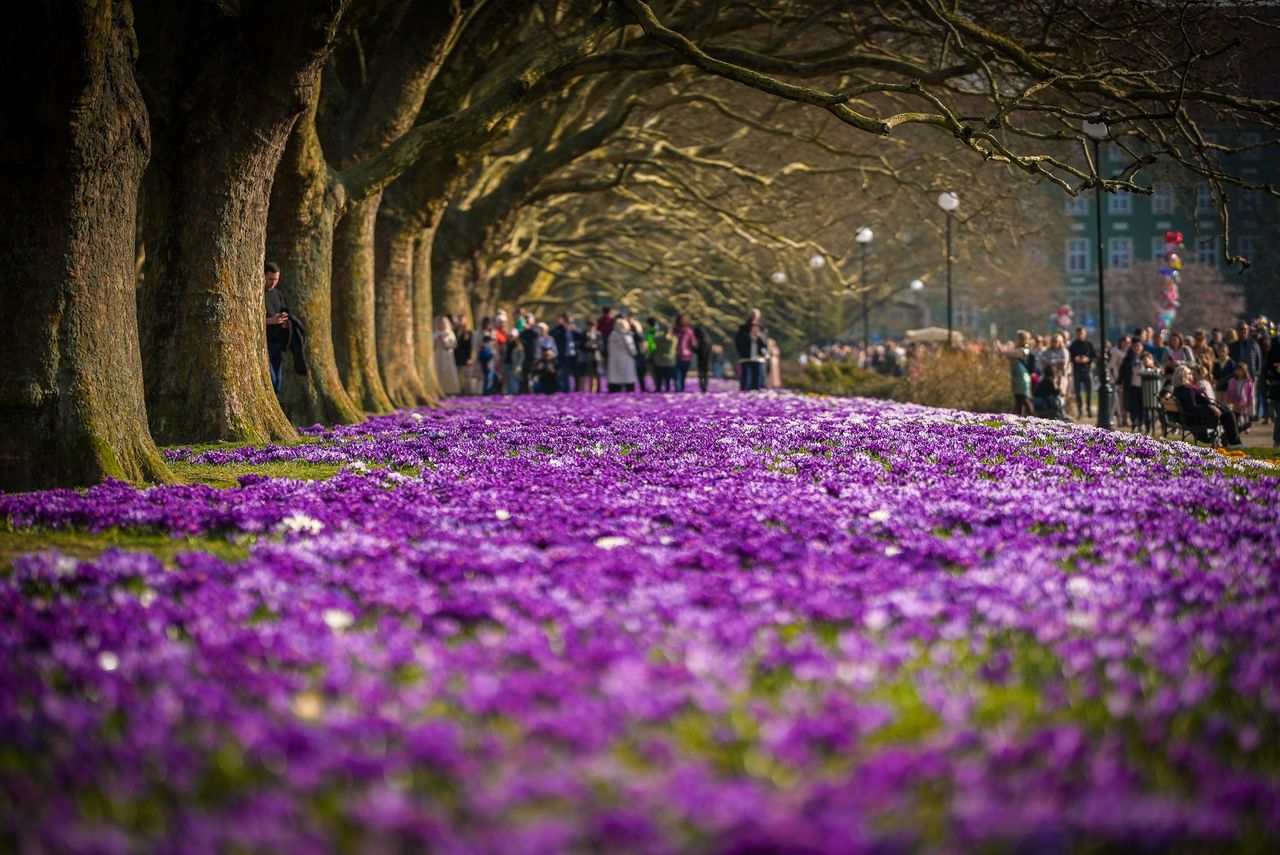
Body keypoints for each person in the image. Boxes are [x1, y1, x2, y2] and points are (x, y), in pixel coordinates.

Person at [1172, 365, 1243, 447]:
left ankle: (1229, 439)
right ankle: (1234, 442)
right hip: (1199, 419)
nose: (1192, 374)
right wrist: (1210, 407)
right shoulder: (1186, 390)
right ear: (1183, 375)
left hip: (1195, 417)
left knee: (1228, 413)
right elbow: (1192, 407)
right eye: (1189, 373)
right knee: (1229, 415)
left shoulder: (1180, 389)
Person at [1118, 337, 1148, 431]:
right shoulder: (1128, 358)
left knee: (1142, 406)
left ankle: (1142, 423)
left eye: (1139, 346)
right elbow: (1122, 370)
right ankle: (1134, 423)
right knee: (1133, 406)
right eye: (1135, 346)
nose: (1137, 348)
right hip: (1132, 385)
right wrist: (1119, 381)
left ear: (1142, 347)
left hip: (1144, 386)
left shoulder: (1146, 357)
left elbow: (1155, 366)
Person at [734, 309, 768, 391]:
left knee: (759, 380)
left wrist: (759, 336)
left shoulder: (762, 328)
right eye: (752, 315)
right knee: (746, 380)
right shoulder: (743, 328)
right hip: (746, 358)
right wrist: (750, 337)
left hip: (759, 358)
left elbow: (765, 343)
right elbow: (738, 342)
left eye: (755, 316)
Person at [1003, 330, 1034, 417]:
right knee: (1018, 401)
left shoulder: (1022, 350)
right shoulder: (1020, 349)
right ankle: (1019, 418)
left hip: (1022, 378)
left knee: (1024, 399)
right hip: (1017, 378)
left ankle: (1034, 417)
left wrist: (1001, 350)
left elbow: (1008, 354)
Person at [1067, 326, 1096, 418]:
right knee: (1078, 392)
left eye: (1082, 333)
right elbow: (1070, 356)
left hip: (1087, 370)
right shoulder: (1073, 344)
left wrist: (1088, 359)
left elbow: (1094, 356)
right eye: (1079, 334)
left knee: (1089, 391)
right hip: (1077, 370)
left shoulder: (1089, 344)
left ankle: (1088, 408)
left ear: (1085, 334)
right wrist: (1075, 359)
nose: (1080, 335)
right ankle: (1080, 410)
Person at [606, 317, 639, 392]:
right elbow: (632, 350)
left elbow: (608, 348)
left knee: (615, 381)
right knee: (628, 381)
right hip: (626, 361)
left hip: (614, 361)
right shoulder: (627, 336)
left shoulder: (612, 335)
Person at [551, 314, 580, 392]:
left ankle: (576, 390)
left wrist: (573, 330)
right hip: (564, 356)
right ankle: (566, 390)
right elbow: (554, 336)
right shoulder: (559, 330)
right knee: (565, 374)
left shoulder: (573, 331)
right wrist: (564, 330)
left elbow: (581, 338)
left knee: (576, 374)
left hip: (574, 356)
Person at [433, 316, 460, 396]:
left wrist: (444, 342)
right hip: (438, 354)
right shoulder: (435, 333)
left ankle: (450, 390)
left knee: (449, 372)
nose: (442, 325)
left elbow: (454, 344)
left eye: (443, 324)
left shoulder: (450, 333)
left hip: (447, 355)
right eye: (441, 324)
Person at [672, 314, 698, 392]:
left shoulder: (688, 332)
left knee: (680, 374)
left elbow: (693, 343)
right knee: (678, 374)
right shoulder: (686, 331)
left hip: (683, 356)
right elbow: (694, 344)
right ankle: (679, 389)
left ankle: (680, 388)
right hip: (679, 356)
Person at [1226, 364, 1254, 430]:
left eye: (1239, 370)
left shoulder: (1248, 381)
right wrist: (1228, 398)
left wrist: (1251, 400)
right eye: (1237, 370)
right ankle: (1238, 425)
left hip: (1244, 399)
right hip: (1235, 398)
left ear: (1244, 371)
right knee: (1236, 413)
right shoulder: (1232, 380)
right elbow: (1229, 390)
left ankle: (1246, 426)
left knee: (1245, 413)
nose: (1237, 372)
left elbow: (1251, 392)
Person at [651, 321, 677, 391]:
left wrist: (669, 338)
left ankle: (667, 390)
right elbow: (653, 341)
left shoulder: (674, 338)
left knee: (667, 379)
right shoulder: (658, 337)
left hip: (669, 362)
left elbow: (674, 345)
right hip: (659, 361)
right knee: (659, 379)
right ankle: (658, 389)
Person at [580, 320, 603, 393]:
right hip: (585, 356)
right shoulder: (583, 334)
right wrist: (586, 345)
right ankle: (582, 390)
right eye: (590, 326)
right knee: (583, 374)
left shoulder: (598, 334)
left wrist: (596, 345)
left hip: (595, 356)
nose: (592, 328)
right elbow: (580, 345)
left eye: (594, 326)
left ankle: (594, 390)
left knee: (595, 374)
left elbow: (601, 345)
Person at [453, 315, 474, 395]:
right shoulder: (455, 332)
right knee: (458, 376)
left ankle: (469, 392)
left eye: (463, 320)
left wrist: (470, 358)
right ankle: (459, 391)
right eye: (460, 320)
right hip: (457, 358)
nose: (461, 322)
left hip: (466, 358)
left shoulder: (469, 333)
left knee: (467, 377)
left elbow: (471, 347)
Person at [692, 324, 713, 392]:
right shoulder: (708, 339)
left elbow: (702, 353)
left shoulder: (704, 341)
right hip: (707, 361)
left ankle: (703, 387)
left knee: (702, 376)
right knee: (705, 376)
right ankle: (704, 387)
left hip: (703, 362)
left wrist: (693, 349)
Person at [632, 317, 649, 392]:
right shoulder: (635, 333)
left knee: (641, 373)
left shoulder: (640, 334)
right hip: (637, 355)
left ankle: (642, 387)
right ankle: (641, 387)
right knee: (639, 373)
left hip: (640, 355)